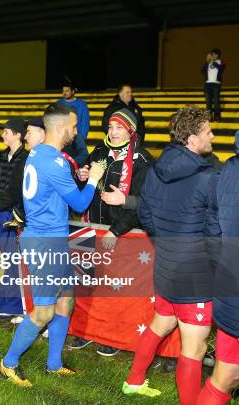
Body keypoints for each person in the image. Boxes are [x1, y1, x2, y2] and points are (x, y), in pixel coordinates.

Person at [0, 102, 104, 387]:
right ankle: (8, 363)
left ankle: (53, 364)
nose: (76, 130)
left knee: (65, 301)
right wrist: (94, 179)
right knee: (44, 311)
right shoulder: (52, 160)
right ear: (59, 128)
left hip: (52, 239)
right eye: (73, 126)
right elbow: (80, 202)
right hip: (44, 243)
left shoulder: (41, 154)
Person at [122, 106, 219, 402]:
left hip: (166, 265)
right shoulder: (207, 176)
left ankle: (134, 381)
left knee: (161, 323)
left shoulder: (156, 169)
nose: (212, 135)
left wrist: (163, 239)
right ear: (192, 139)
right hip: (193, 274)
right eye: (207, 132)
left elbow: (145, 212)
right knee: (194, 349)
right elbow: (216, 230)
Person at [69, 108, 153, 356]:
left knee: (115, 291)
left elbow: (144, 202)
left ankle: (112, 337)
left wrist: (116, 231)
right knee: (89, 285)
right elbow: (87, 186)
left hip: (121, 234)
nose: (113, 132)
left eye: (119, 128)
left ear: (131, 131)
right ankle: (86, 332)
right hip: (92, 226)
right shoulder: (99, 151)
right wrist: (82, 176)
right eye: (111, 127)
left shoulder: (143, 160)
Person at [197, 132, 239, 404]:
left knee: (224, 374)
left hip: (226, 280)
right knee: (225, 376)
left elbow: (211, 226)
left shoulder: (226, 171)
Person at [0, 117, 45, 216]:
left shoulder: (26, 159)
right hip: (1, 211)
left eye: (6, 132)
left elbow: (15, 194)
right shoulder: (3, 156)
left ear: (18, 135)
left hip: (18, 214)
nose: (2, 135)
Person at [202, 49, 226, 122]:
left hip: (216, 84)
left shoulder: (221, 62)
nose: (214, 56)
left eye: (216, 54)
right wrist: (207, 62)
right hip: (207, 84)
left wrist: (213, 62)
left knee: (216, 101)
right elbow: (202, 71)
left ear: (218, 55)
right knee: (208, 102)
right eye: (213, 54)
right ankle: (209, 117)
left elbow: (221, 69)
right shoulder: (208, 63)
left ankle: (217, 116)